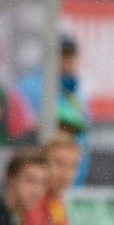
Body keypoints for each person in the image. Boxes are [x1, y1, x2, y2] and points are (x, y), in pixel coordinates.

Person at [17, 34, 92, 186]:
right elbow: (25, 133)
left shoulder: (76, 91)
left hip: (72, 183)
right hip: (41, 181)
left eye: (71, 56)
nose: (67, 61)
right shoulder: (30, 88)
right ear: (49, 59)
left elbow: (83, 136)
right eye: (62, 56)